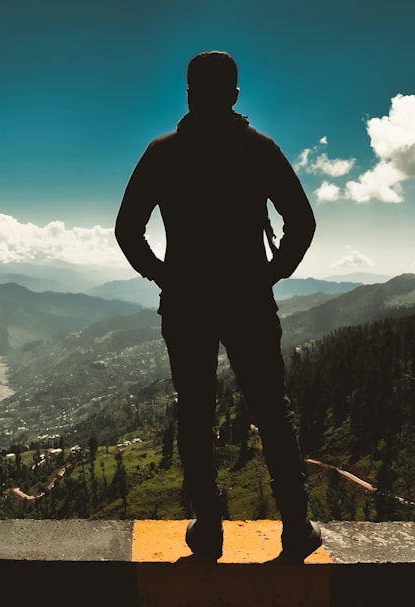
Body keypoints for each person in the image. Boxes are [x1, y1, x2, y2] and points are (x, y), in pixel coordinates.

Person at [115, 51, 320, 562]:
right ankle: (296, 527)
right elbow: (302, 221)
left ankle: (208, 529)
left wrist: (162, 273)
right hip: (249, 297)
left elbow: (127, 230)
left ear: (188, 94)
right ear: (233, 94)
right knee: (272, 409)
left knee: (196, 411)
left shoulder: (163, 152)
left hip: (185, 301)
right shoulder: (259, 148)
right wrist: (275, 272)